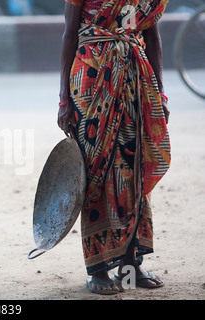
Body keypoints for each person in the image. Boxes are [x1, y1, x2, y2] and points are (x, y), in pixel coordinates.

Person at [58, 0, 171, 295]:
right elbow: (69, 35)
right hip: (90, 81)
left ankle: (130, 266)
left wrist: (159, 93)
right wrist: (62, 101)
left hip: (135, 79)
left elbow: (153, 37)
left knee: (132, 168)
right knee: (96, 170)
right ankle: (96, 269)